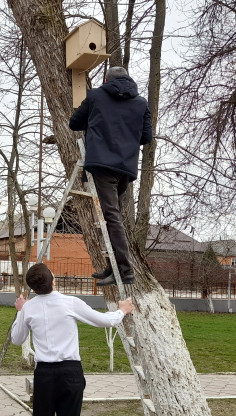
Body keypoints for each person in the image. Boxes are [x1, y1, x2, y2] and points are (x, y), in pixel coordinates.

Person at [11, 263, 135, 416]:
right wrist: (122, 310)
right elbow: (105, 321)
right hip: (70, 374)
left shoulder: (28, 308)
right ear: (53, 281)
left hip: (44, 375)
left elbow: (17, 339)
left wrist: (20, 310)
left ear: (33, 288)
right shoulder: (70, 303)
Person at [69, 66, 154, 287]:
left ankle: (125, 271)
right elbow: (146, 137)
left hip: (102, 165)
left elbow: (74, 123)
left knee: (112, 217)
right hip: (125, 168)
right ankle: (113, 264)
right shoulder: (141, 103)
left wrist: (98, 121)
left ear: (107, 80)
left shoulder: (96, 95)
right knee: (111, 217)